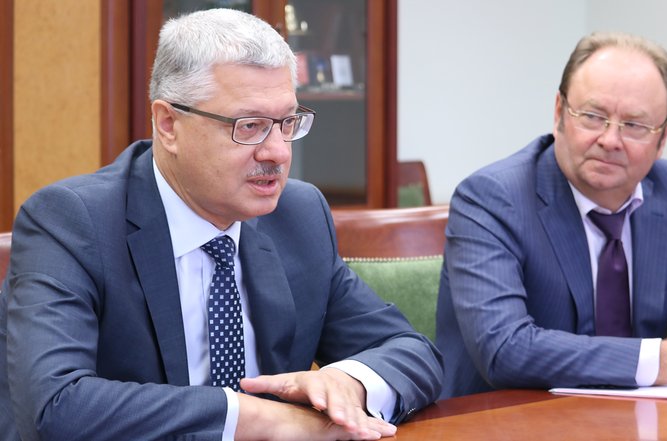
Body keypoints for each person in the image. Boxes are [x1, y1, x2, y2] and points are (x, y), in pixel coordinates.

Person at [0, 8, 442, 441]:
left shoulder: (298, 215)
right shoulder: (72, 221)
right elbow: (55, 407)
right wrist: (254, 417)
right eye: (249, 126)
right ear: (168, 124)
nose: (278, 152)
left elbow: (412, 351)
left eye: (287, 123)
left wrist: (350, 382)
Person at [436, 31, 667, 398]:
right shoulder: (492, 199)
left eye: (635, 125)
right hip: (504, 418)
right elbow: (505, 349)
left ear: (663, 136)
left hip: (642, 419)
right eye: (593, 117)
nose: (610, 140)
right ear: (559, 113)